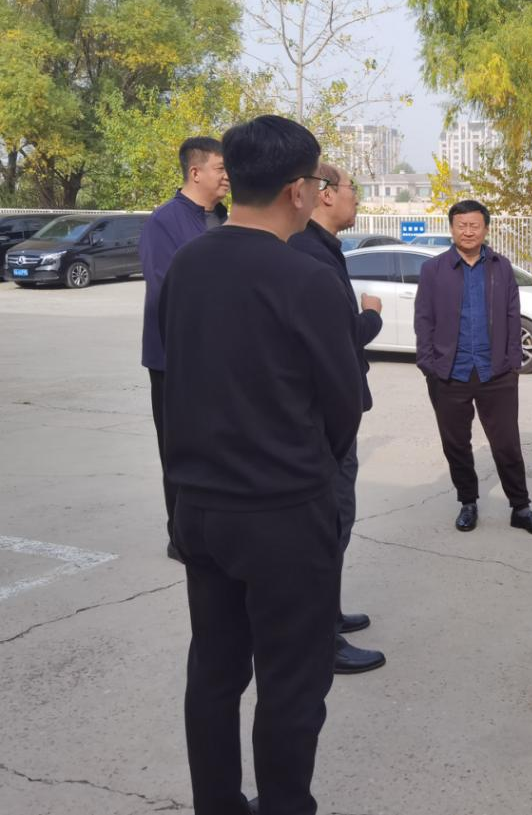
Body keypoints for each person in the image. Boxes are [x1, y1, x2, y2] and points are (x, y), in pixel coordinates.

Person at [159, 115, 364, 815]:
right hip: (282, 512)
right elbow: (343, 407)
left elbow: (172, 378)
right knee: (291, 684)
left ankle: (217, 803)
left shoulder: (189, 264)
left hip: (199, 506)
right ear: (296, 190)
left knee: (214, 671)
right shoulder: (305, 276)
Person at [288, 162, 387, 676]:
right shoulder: (308, 255)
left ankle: (328, 614)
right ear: (323, 194)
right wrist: (371, 316)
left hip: (332, 420)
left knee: (336, 525)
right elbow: (339, 341)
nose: (357, 199)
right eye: (353, 189)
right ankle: (320, 640)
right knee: (328, 527)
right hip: (323, 425)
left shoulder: (324, 249)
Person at [414, 200, 532, 537]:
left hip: (496, 373)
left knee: (507, 443)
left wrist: (513, 362)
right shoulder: (433, 270)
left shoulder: (501, 267)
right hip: (449, 373)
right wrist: (429, 364)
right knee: (456, 444)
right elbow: (424, 319)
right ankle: (468, 502)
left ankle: (520, 507)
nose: (468, 231)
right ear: (452, 228)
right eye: (461, 225)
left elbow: (512, 314)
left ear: (486, 229)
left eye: (474, 225)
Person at [139, 137, 229, 561]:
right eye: (220, 168)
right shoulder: (164, 222)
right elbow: (166, 294)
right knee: (179, 450)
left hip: (221, 360)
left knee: (219, 448)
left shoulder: (226, 219)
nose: (228, 176)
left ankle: (215, 527)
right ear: (195, 172)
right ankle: (181, 537)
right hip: (174, 362)